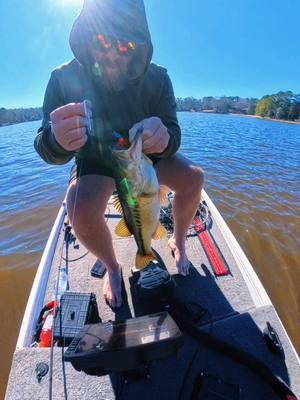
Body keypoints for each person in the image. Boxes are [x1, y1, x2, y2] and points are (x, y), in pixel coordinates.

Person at [34, 0, 204, 308]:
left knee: (194, 178)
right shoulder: (61, 79)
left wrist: (164, 138)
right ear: (87, 36)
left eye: (125, 44)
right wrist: (57, 141)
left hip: (144, 159)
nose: (112, 53)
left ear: (139, 46)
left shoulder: (158, 78)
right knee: (78, 208)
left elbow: (174, 135)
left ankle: (177, 240)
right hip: (96, 161)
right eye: (102, 40)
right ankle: (112, 266)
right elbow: (44, 146)